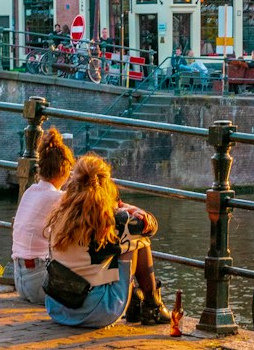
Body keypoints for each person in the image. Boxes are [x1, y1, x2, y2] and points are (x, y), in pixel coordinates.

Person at [43, 153, 171, 328]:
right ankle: (151, 305)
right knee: (137, 239)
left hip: (58, 306)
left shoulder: (59, 214)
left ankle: (139, 304)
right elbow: (150, 226)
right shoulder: (113, 221)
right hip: (97, 310)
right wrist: (129, 208)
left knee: (123, 241)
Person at [11, 128, 75, 306]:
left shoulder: (31, 191)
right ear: (65, 171)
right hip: (39, 281)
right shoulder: (57, 197)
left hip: (20, 278)